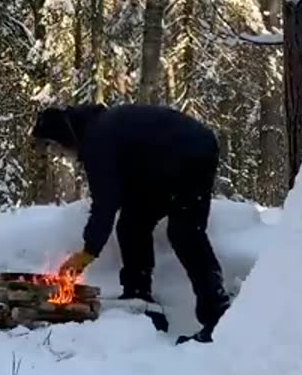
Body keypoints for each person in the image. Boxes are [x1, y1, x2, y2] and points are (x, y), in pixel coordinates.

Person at [31, 103, 231, 344]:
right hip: (168, 162)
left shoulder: (98, 139)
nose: (59, 155)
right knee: (132, 224)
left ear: (64, 137)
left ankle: (219, 319)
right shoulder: (100, 129)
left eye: (55, 147)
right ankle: (139, 297)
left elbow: (105, 203)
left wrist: (87, 252)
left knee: (185, 233)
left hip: (190, 154)